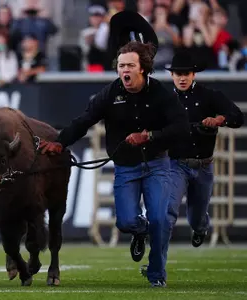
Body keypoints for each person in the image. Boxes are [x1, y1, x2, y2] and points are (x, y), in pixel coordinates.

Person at [39, 11, 190, 287]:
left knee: (159, 218)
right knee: (126, 222)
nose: (124, 71)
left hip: (157, 165)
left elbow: (182, 128)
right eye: (121, 66)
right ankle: (139, 230)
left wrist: (150, 136)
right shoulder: (110, 94)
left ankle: (156, 274)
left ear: (142, 67)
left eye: (130, 65)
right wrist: (60, 142)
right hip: (126, 167)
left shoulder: (160, 94)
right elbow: (83, 120)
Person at [164, 51, 244, 247]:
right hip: (176, 165)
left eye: (186, 74)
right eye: (178, 74)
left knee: (197, 216)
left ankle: (200, 228)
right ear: (172, 75)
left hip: (203, 166)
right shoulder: (163, 100)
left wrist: (219, 119)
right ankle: (158, 252)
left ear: (193, 75)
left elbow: (237, 116)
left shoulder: (210, 96)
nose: (182, 78)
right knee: (167, 209)